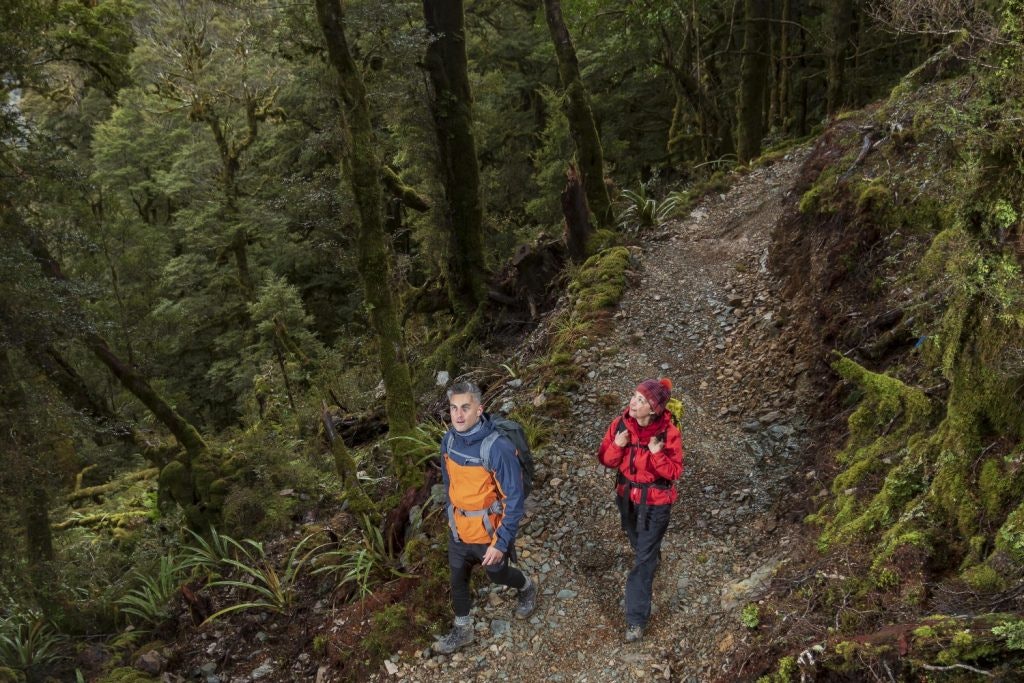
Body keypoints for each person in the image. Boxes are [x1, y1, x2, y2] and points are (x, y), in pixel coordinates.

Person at [434, 381, 537, 654]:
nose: (458, 415)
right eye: (454, 408)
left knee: (498, 575)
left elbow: (514, 501)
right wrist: (450, 513)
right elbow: (448, 481)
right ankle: (463, 629)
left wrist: (501, 543)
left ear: (479, 409)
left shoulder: (497, 448)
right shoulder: (449, 440)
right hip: (459, 528)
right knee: (457, 578)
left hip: (487, 534)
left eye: (465, 408)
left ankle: (526, 587)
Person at [597, 378, 684, 643]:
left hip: (655, 504)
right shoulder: (620, 424)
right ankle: (652, 554)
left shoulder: (668, 433)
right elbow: (605, 459)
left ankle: (635, 620)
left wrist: (657, 453)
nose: (634, 403)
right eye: (635, 396)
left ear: (654, 409)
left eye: (641, 400)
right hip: (626, 498)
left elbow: (674, 472)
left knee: (642, 562)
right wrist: (618, 445)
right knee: (636, 541)